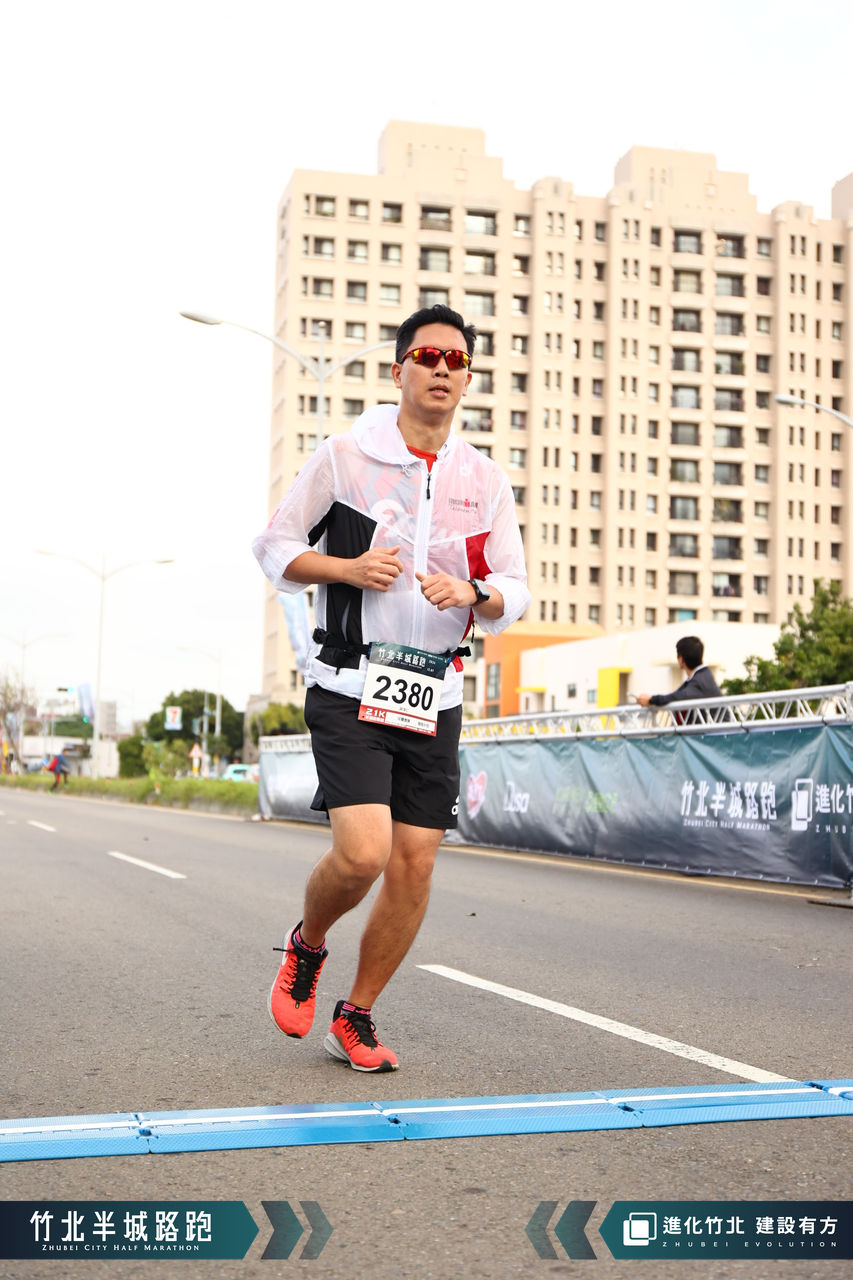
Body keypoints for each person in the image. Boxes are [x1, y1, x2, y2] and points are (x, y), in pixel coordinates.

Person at [252, 304, 530, 1072]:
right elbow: (273, 546)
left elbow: (515, 588)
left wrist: (474, 592)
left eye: (455, 361)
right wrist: (345, 568)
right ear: (399, 367)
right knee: (363, 854)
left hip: (433, 693)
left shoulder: (485, 480)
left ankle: (356, 1016)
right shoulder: (346, 457)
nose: (441, 369)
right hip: (349, 680)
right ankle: (307, 946)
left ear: (467, 379)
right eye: (427, 356)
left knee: (414, 862)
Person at [636, 636, 722, 711]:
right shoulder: (703, 675)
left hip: (715, 725)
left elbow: (678, 696)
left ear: (681, 659)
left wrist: (651, 700)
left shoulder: (699, 680)